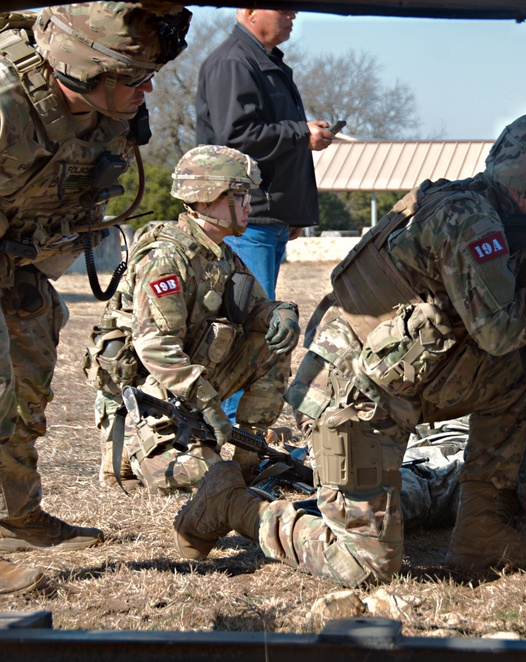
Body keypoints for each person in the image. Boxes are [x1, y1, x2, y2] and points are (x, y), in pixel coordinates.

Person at [173, 112, 526, 587]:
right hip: (353, 397)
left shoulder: (516, 227)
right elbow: (499, 329)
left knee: (512, 374)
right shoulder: (468, 221)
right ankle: (231, 505)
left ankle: (481, 535)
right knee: (364, 565)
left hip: (408, 381)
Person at [0, 2, 190, 595]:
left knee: (26, 390)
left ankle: (14, 518)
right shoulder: (5, 103)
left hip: (16, 262)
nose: (148, 88)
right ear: (81, 69)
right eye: (132, 77)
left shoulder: (106, 110)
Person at [87, 145, 300, 494]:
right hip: (149, 395)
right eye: (239, 195)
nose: (249, 206)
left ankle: (250, 457)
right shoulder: (167, 258)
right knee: (206, 475)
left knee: (272, 339)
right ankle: (132, 451)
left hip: (188, 388)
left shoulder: (219, 255)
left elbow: (256, 309)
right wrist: (207, 403)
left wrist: (283, 312)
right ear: (205, 200)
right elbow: (156, 347)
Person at [195, 7, 336, 425]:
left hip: (264, 216)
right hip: (244, 218)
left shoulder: (263, 61)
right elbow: (233, 138)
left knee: (257, 319)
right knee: (248, 323)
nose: (293, 15)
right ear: (249, 11)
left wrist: (290, 211)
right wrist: (300, 132)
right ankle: (237, 423)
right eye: (283, 8)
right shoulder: (233, 62)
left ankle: (242, 420)